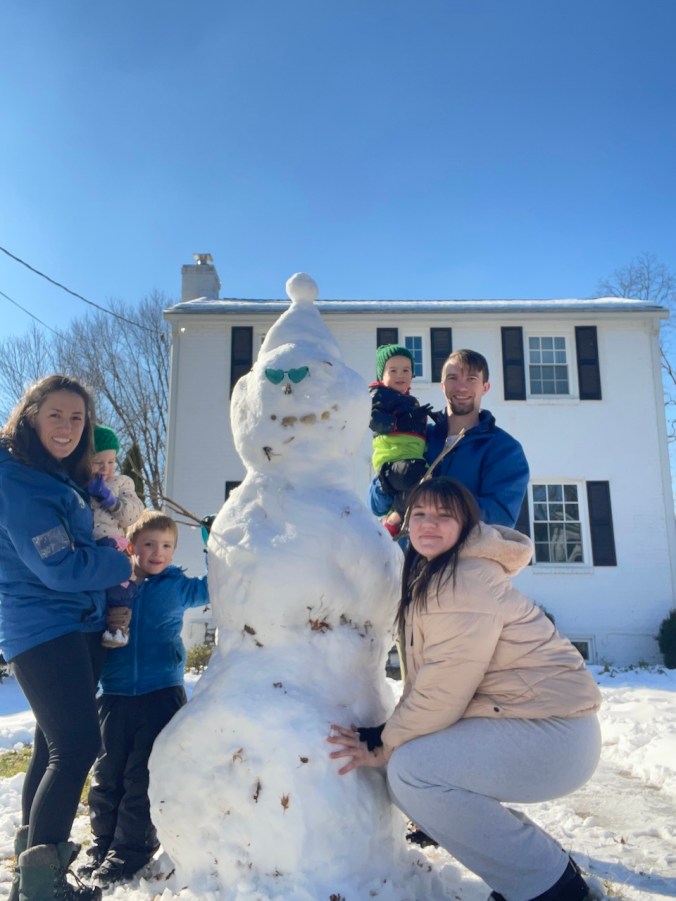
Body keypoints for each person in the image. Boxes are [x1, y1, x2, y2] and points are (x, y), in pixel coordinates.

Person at [329, 478, 602, 901]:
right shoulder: (438, 571)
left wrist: (384, 741)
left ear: (466, 525)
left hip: (554, 734)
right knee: (410, 771)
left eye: (444, 515)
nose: (429, 524)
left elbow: (442, 692)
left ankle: (553, 890)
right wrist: (391, 736)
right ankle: (543, 872)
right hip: (532, 722)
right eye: (420, 514)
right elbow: (432, 680)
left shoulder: (463, 581)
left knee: (414, 772)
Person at [0, 375, 133, 901]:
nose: (67, 427)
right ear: (30, 416)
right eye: (55, 414)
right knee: (78, 746)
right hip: (44, 627)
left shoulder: (52, 475)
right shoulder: (19, 480)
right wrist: (120, 563)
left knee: (52, 747)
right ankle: (42, 888)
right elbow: (59, 566)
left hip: (74, 624)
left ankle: (32, 877)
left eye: (77, 418)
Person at [80, 509, 210, 889]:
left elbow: (215, 586)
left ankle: (130, 851)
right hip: (114, 694)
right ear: (131, 546)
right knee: (107, 775)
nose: (158, 553)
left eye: (167, 546)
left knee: (141, 775)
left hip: (161, 694)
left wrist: (212, 546)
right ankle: (104, 844)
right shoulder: (114, 585)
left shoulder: (176, 586)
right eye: (149, 544)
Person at [368, 348, 529, 528]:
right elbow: (376, 505)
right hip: (406, 545)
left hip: (464, 547)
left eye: (471, 379)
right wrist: (387, 478)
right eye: (453, 378)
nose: (461, 387)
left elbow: (500, 517)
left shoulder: (504, 449)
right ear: (443, 385)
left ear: (485, 387)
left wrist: (434, 504)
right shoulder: (418, 436)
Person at [87, 424, 145, 647]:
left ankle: (118, 627)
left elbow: (132, 514)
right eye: (98, 462)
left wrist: (111, 501)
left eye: (111, 462)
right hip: (88, 544)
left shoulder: (122, 483)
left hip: (113, 543)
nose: (106, 468)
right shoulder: (80, 484)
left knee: (119, 586)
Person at [369, 344, 432, 538]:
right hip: (393, 459)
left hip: (410, 458)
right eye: (393, 370)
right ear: (381, 375)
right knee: (418, 476)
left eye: (406, 370)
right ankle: (395, 516)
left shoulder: (410, 401)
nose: (400, 375)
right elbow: (372, 419)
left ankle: (395, 519)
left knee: (425, 484)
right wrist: (399, 422)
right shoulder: (379, 394)